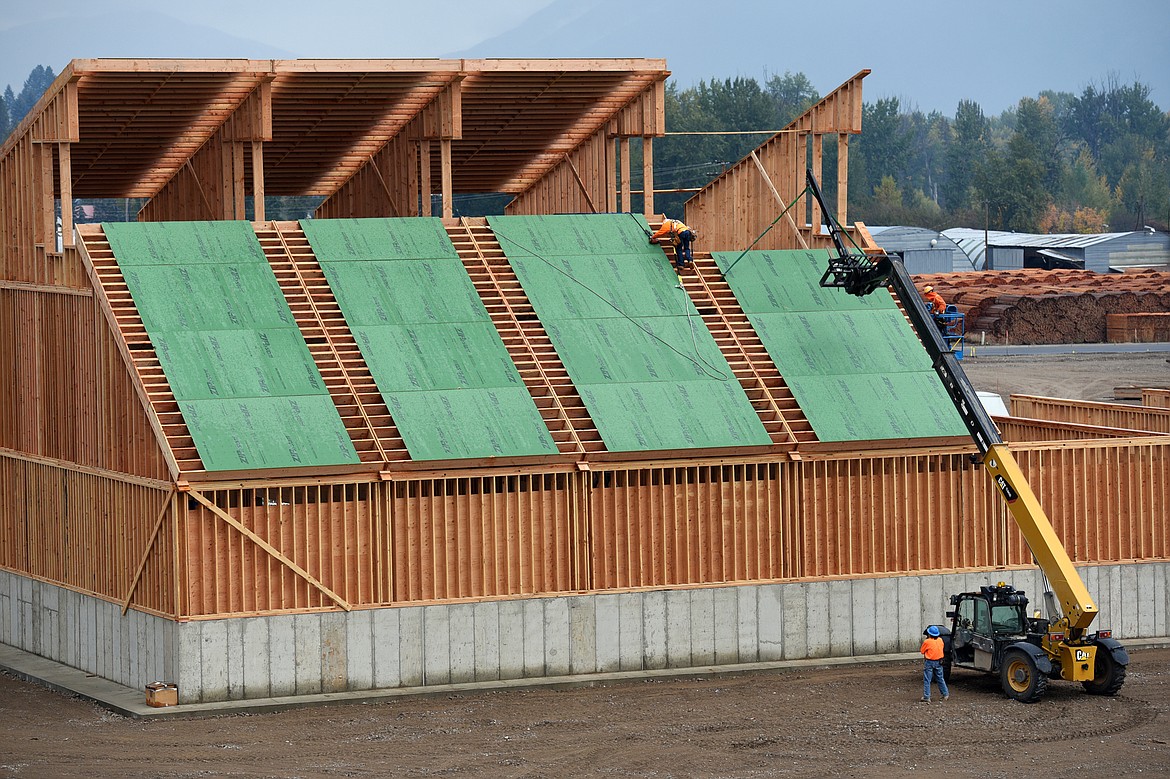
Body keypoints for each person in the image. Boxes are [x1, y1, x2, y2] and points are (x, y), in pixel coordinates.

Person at [919, 625, 950, 703]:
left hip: (929, 662)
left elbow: (922, 651)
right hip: (939, 661)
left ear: (929, 634)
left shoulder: (927, 641)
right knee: (940, 678)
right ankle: (945, 694)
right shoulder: (940, 640)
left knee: (927, 680)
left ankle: (927, 696)